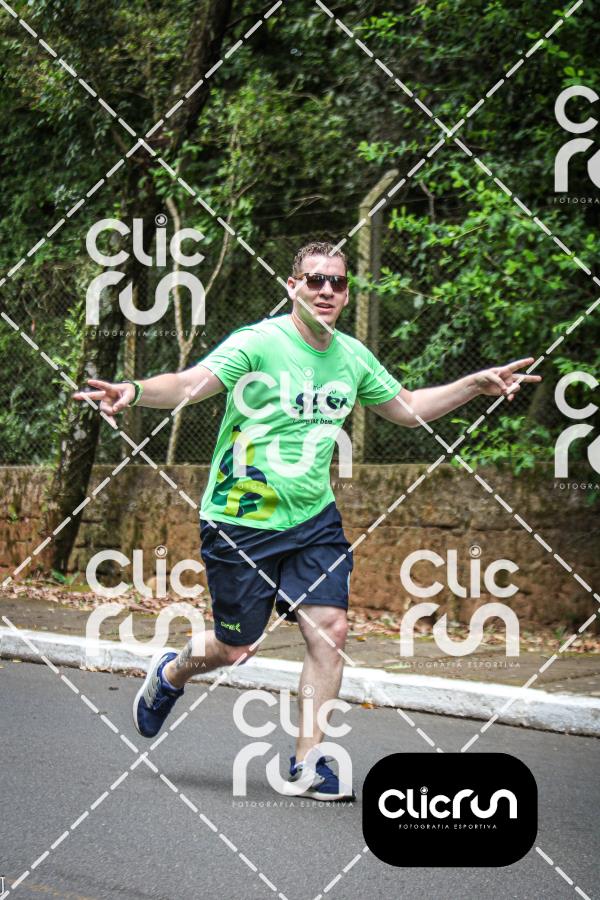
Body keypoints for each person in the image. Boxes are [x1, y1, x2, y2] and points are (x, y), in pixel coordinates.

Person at [73, 240, 540, 801]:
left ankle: (308, 762)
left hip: (313, 520)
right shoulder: (258, 343)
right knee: (235, 647)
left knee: (331, 629)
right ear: (292, 287)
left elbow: (410, 409)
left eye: (337, 282)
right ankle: (171, 673)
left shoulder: (352, 357)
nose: (326, 290)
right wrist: (132, 391)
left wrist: (474, 385)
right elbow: (190, 384)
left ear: (346, 293)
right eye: (314, 280)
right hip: (240, 520)